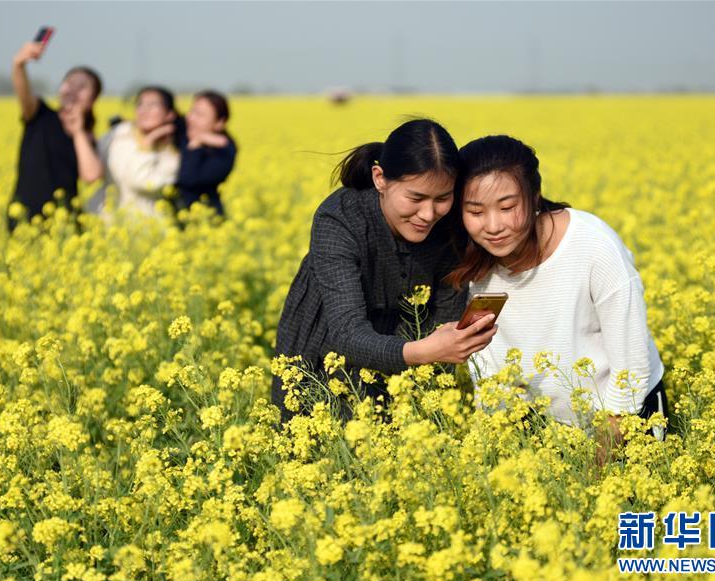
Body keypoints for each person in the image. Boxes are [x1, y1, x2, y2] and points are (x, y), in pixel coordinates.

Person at [272, 119, 499, 426]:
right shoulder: (339, 218)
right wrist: (426, 350)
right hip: (325, 343)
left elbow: (444, 321)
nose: (428, 214)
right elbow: (346, 332)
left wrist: (433, 386)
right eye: (416, 198)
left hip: (408, 346)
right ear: (380, 178)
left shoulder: (450, 227)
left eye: (442, 198)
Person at [446, 135, 667, 446]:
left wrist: (600, 461)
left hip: (626, 418)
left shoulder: (594, 246)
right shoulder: (470, 262)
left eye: (507, 207)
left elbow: (630, 371)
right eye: (476, 212)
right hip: (544, 431)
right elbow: (489, 373)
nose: (493, 226)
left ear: (535, 197)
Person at [8, 40, 103, 232]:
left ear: (92, 99)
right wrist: (19, 64)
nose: (73, 90)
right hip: (24, 218)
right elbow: (24, 94)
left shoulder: (87, 136)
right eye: (69, 83)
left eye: (82, 86)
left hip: (66, 222)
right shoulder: (39, 115)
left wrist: (78, 132)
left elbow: (91, 175)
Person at [88, 86, 181, 220]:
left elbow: (140, 181)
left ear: (170, 114)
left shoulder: (172, 154)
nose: (144, 110)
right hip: (105, 223)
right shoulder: (116, 136)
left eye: (153, 105)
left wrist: (148, 144)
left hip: (148, 228)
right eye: (140, 104)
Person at [175, 90, 237, 216]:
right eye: (192, 111)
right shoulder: (184, 133)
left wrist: (196, 145)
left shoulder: (224, 153)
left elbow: (188, 180)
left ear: (220, 123)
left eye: (200, 115)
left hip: (207, 217)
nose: (191, 118)